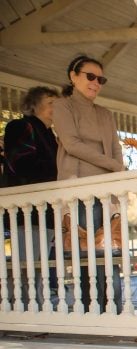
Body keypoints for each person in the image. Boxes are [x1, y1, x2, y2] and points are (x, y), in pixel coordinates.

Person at [53, 54, 125, 313]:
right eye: (90, 76)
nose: (96, 82)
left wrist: (117, 172)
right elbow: (71, 144)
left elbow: (116, 149)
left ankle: (115, 310)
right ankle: (90, 311)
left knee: (109, 251)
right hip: (79, 188)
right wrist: (113, 165)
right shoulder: (63, 107)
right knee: (84, 253)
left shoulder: (105, 114)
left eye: (100, 79)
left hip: (106, 190)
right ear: (73, 76)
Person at [3, 86, 61, 306]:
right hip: (25, 209)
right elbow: (21, 164)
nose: (55, 108)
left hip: (44, 211)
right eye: (50, 103)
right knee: (25, 264)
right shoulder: (21, 126)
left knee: (38, 265)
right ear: (33, 106)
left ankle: (32, 308)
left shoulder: (52, 136)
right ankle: (21, 310)